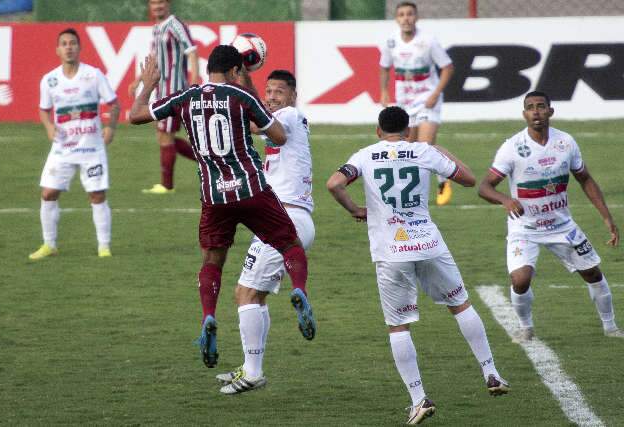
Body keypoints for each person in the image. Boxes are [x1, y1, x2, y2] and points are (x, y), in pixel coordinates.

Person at [129, 46, 316, 371]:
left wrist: (148, 83)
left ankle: (208, 317)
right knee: (289, 244)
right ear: (234, 71)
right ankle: (298, 289)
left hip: (214, 196)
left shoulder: (186, 96)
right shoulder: (241, 96)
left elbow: (135, 115)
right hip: (251, 188)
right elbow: (278, 136)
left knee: (212, 262)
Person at [327, 106, 509, 425]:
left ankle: (418, 399)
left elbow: (333, 184)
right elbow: (467, 179)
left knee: (399, 326)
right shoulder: (423, 150)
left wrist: (355, 208)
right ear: (408, 130)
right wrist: (437, 148)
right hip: (428, 244)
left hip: (391, 250)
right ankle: (491, 373)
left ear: (378, 130)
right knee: (460, 304)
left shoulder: (365, 154)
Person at [478, 91, 623, 342]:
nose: (536, 111)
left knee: (593, 273)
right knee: (520, 280)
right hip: (525, 228)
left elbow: (584, 178)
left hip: (562, 225)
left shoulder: (566, 142)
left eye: (541, 106)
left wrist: (607, 217)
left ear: (550, 111)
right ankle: (526, 327)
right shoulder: (512, 147)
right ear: (524, 114)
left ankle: (611, 328)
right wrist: (505, 199)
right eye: (530, 107)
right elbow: (484, 187)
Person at [214, 69, 315, 394]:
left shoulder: (289, 115)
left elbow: (257, 122)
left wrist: (239, 89)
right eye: (268, 91)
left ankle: (254, 371)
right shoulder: (282, 116)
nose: (272, 97)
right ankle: (250, 365)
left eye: (279, 92)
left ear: (292, 96)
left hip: (285, 219)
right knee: (255, 296)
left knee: (244, 293)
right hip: (285, 217)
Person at [29, 28, 120, 260]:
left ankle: (104, 246)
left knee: (97, 195)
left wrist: (110, 127)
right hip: (62, 148)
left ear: (79, 48)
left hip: (91, 148)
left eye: (72, 43)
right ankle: (49, 244)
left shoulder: (94, 75)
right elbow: (43, 109)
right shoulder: (49, 80)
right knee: (48, 193)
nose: (69, 47)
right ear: (58, 50)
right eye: (64, 43)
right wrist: (49, 127)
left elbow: (114, 104)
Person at [379, 1, 455, 206]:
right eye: (402, 14)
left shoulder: (428, 41)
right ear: (397, 19)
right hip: (405, 102)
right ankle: (420, 189)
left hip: (427, 99)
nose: (406, 18)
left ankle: (443, 180)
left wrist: (435, 93)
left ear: (416, 17)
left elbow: (448, 68)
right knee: (410, 148)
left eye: (410, 14)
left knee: (425, 145)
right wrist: (384, 91)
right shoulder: (391, 42)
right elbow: (384, 67)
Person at [129, 0, 199, 194]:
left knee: (165, 135)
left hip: (174, 91)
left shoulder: (175, 24)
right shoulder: (158, 28)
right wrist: (138, 81)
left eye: (161, 2)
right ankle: (207, 160)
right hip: (161, 91)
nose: (157, 6)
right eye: (153, 3)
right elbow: (157, 58)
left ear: (167, 4)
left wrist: (193, 85)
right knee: (163, 135)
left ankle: (166, 186)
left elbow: (192, 52)